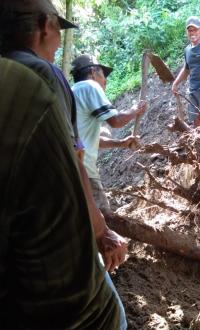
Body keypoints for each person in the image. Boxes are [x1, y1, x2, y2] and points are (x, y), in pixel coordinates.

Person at [0, 2, 128, 328]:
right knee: (110, 316)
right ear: (45, 26)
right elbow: (72, 161)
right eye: (58, 31)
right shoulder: (40, 75)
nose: (58, 45)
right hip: (46, 265)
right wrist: (101, 231)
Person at [71, 54, 146, 214]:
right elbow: (116, 121)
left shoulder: (73, 92)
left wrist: (121, 143)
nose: (105, 81)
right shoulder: (89, 86)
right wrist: (135, 110)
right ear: (93, 72)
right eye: (103, 75)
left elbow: (88, 140)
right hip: (83, 169)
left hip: (70, 166)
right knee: (103, 217)